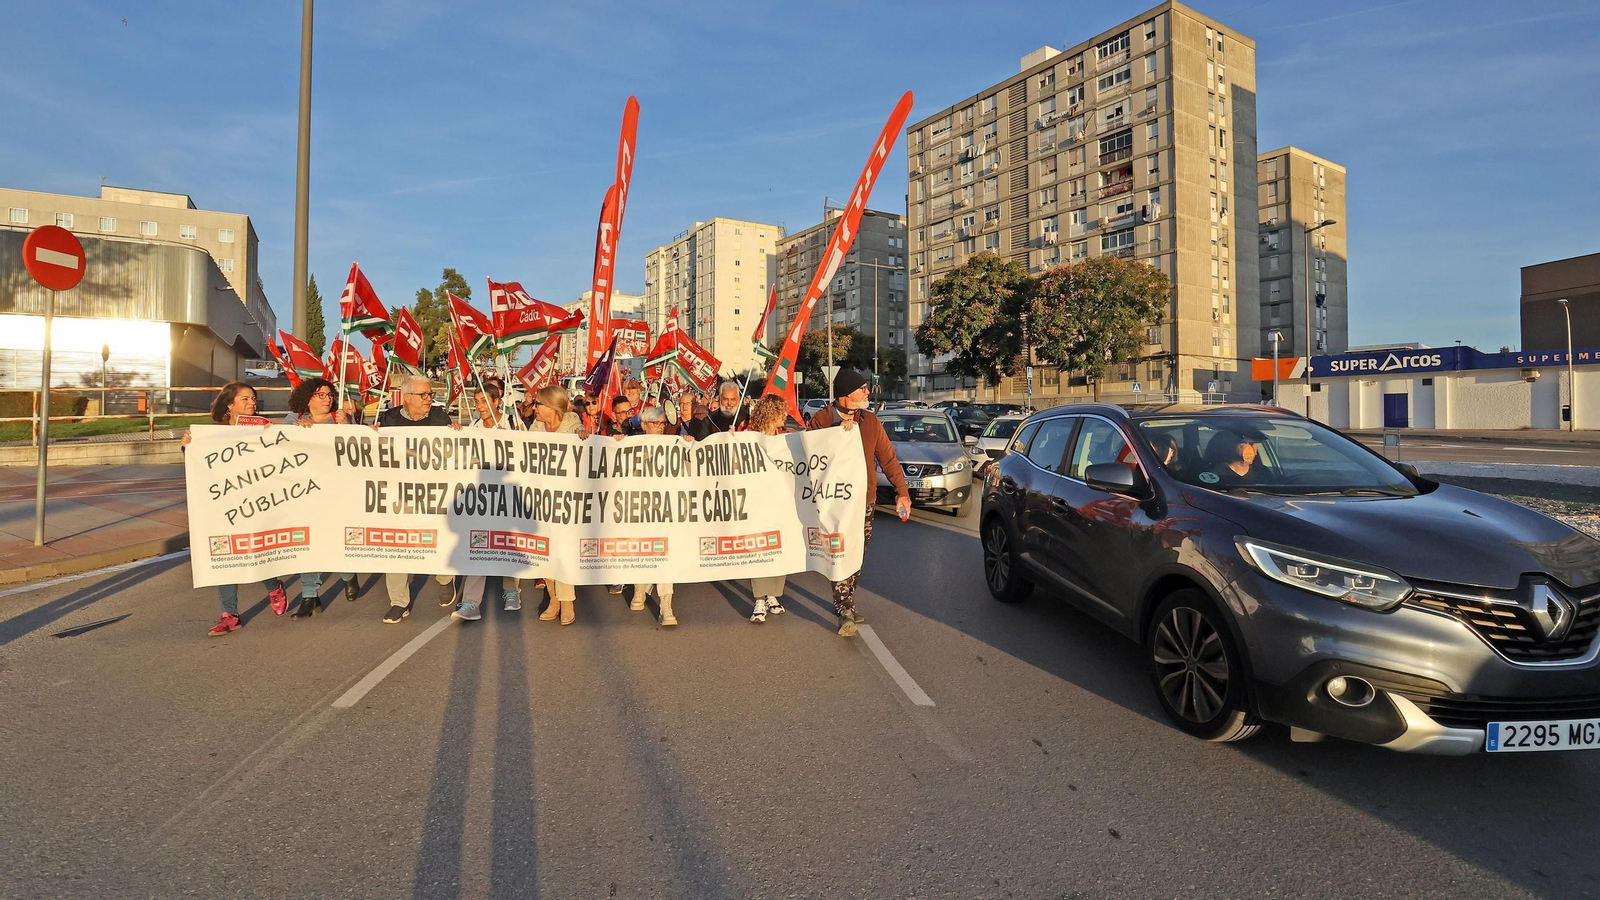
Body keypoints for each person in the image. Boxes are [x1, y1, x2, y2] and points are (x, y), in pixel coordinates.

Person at [806, 369, 911, 637]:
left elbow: (888, 459)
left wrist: (902, 491)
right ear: (846, 393)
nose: (867, 392)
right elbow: (805, 455)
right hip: (833, 502)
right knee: (838, 552)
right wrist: (836, 435)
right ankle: (844, 610)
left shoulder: (871, 422)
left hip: (864, 501)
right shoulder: (822, 420)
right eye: (862, 388)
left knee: (857, 554)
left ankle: (847, 601)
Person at [181, 383, 291, 636]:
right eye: (245, 399)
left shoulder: (263, 427)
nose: (252, 403)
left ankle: (274, 586)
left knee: (258, 549)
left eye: (254, 398)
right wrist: (189, 447)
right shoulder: (212, 435)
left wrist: (296, 433)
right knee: (224, 554)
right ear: (230, 405)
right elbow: (199, 466)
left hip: (258, 501)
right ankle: (229, 614)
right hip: (225, 505)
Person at [375, 376, 461, 624]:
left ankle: (445, 579)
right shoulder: (389, 418)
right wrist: (369, 434)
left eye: (430, 394)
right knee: (396, 546)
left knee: (437, 541)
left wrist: (455, 433)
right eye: (423, 395)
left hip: (433, 494)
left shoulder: (439, 418)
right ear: (407, 397)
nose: (428, 399)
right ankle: (398, 603)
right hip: (398, 494)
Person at [282, 377, 360, 615]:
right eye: (321, 395)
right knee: (306, 542)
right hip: (304, 493)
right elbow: (277, 447)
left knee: (332, 538)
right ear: (308, 399)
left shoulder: (340, 419)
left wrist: (348, 426)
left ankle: (347, 574)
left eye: (329, 395)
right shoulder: (293, 420)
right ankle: (309, 596)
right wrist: (293, 433)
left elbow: (361, 449)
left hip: (335, 492)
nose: (327, 400)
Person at [451, 384, 522, 621]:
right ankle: (471, 602)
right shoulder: (474, 428)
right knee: (479, 545)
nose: (479, 407)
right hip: (483, 498)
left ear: (496, 402)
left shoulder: (514, 424)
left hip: (508, 497)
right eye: (477, 402)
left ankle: (511, 592)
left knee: (507, 545)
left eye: (484, 401)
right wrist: (456, 433)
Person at [621, 405, 682, 626]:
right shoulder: (631, 444)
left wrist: (690, 444)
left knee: (665, 553)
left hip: (665, 508)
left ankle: (666, 604)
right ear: (644, 425)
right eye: (656, 423)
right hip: (639, 507)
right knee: (640, 549)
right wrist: (616, 443)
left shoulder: (672, 444)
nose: (661, 427)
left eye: (663, 423)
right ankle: (640, 588)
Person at [529, 384, 583, 625]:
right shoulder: (535, 427)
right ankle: (553, 599)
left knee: (563, 550)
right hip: (540, 499)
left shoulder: (573, 426)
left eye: (538, 404)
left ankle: (567, 601)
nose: (535, 408)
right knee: (545, 550)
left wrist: (585, 437)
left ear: (552, 407)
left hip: (565, 500)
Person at [745, 395, 792, 623]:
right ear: (770, 412)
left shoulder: (786, 438)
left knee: (778, 550)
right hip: (755, 503)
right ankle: (759, 599)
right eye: (781, 410)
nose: (785, 415)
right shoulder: (749, 437)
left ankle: (773, 595)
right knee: (759, 550)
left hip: (781, 504)